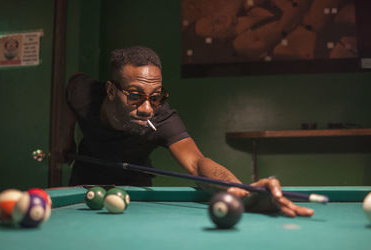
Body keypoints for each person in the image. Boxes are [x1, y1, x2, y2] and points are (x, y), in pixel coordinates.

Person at [60, 46, 313, 217]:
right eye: (135, 96)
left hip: (133, 190)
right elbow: (70, 87)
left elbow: (197, 163)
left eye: (156, 96)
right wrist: (66, 139)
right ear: (111, 91)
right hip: (85, 180)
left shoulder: (163, 119)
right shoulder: (85, 93)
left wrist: (240, 190)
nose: (148, 108)